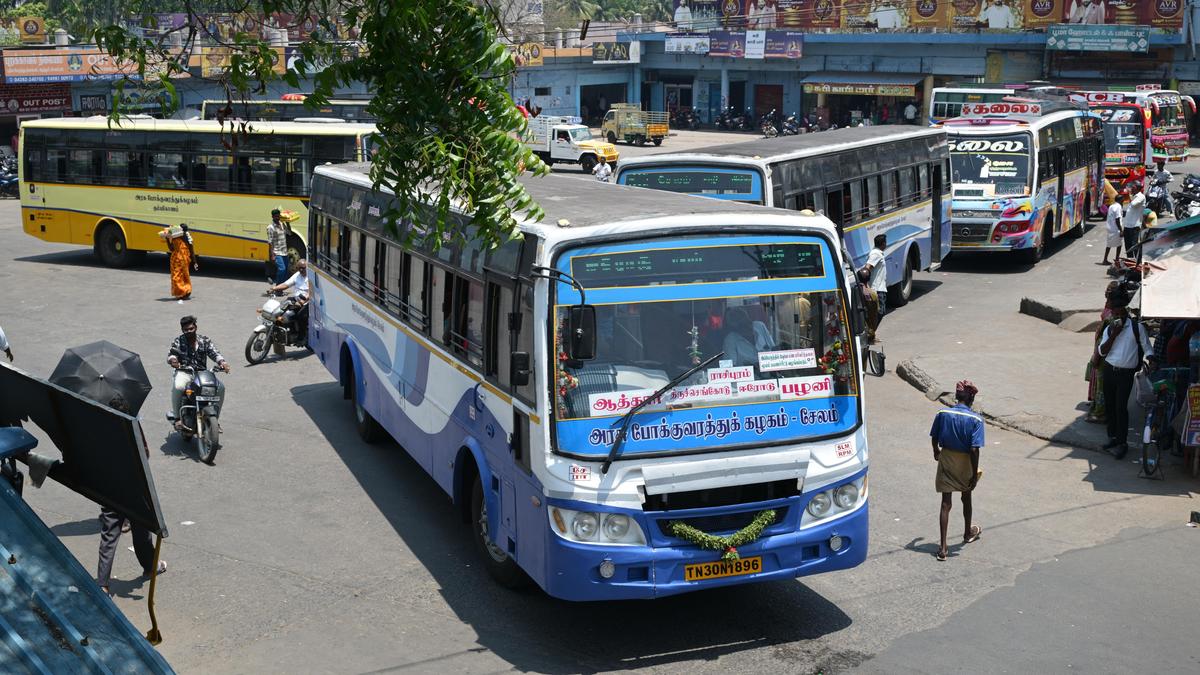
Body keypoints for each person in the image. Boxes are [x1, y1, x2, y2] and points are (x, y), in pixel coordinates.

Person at [96, 394, 165, 595]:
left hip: (110, 489)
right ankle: (151, 566)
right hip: (135, 489)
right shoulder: (133, 427)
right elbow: (146, 453)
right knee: (141, 531)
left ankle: (102, 583)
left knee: (109, 535)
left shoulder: (101, 432)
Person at [930, 380, 985, 562]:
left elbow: (935, 436)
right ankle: (967, 533)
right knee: (966, 497)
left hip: (946, 457)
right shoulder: (976, 419)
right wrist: (974, 472)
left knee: (946, 503)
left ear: (956, 396)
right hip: (965, 462)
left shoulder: (943, 413)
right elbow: (974, 449)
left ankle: (943, 547)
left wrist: (936, 452)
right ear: (972, 398)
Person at [1097, 289, 1151, 459]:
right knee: (1110, 406)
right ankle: (1112, 437)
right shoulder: (1109, 327)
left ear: (1125, 309)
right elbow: (1102, 351)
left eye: (1118, 309)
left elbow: (1147, 348)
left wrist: (1152, 360)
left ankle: (1122, 442)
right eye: (1113, 310)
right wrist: (1114, 335)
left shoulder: (1137, 328)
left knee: (1121, 407)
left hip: (1126, 374)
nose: (1115, 313)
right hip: (1109, 370)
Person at [167, 315, 230, 427]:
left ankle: (214, 419)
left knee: (220, 388)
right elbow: (172, 354)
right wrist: (173, 361)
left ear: (196, 327)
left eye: (191, 328)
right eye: (186, 330)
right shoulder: (178, 341)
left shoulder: (204, 340)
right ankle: (177, 418)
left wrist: (222, 362)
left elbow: (214, 353)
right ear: (182, 330)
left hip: (202, 373)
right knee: (178, 387)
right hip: (185, 371)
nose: (189, 331)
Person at [1085, 282, 1121, 423]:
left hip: (1104, 354)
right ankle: (1097, 407)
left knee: (1102, 385)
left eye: (1109, 295)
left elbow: (1107, 341)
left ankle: (1101, 413)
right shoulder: (1110, 312)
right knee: (1099, 383)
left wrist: (1097, 356)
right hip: (1100, 351)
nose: (1107, 297)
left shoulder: (1113, 318)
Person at [268, 259, 311, 343]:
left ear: (307, 268)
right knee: (280, 310)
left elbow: (311, 292)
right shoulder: (297, 275)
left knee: (300, 315)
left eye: (303, 268)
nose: (301, 270)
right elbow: (286, 284)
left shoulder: (310, 277)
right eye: (299, 268)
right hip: (296, 299)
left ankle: (301, 338)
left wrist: (305, 300)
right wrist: (274, 288)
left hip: (307, 302)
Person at [160, 223, 198, 302]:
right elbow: (191, 250)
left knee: (177, 276)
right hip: (181, 259)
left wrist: (167, 238)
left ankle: (181, 292)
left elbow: (171, 248)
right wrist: (194, 262)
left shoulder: (179, 238)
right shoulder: (183, 237)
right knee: (184, 276)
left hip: (178, 259)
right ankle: (186, 291)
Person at [861, 233, 889, 321]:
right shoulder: (876, 254)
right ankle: (870, 332)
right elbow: (867, 268)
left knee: (880, 312)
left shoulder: (878, 253)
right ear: (883, 243)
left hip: (880, 288)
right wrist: (866, 284)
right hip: (877, 289)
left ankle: (871, 332)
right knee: (879, 312)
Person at [1121, 182, 1145, 256]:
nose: (1131, 189)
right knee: (1127, 244)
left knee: (1134, 244)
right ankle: (1130, 260)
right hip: (1127, 225)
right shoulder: (1133, 196)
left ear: (1136, 188)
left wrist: (1129, 196)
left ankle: (1138, 261)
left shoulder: (1141, 196)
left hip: (1134, 225)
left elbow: (1134, 204)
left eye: (1132, 187)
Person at [267, 208, 290, 285]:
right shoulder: (270, 227)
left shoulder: (282, 224)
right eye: (276, 216)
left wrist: (288, 223)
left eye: (278, 216)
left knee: (286, 270)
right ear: (272, 217)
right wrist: (272, 255)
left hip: (284, 251)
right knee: (282, 269)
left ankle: (280, 288)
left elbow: (289, 233)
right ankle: (277, 287)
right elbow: (270, 242)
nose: (278, 218)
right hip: (277, 252)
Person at [1102, 194, 1124, 265]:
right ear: (1120, 200)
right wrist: (1121, 230)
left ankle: (1105, 259)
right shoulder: (1118, 207)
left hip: (1110, 227)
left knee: (1109, 244)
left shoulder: (1111, 206)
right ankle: (1117, 259)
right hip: (1115, 228)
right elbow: (1117, 219)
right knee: (1119, 244)